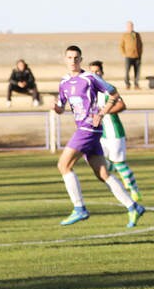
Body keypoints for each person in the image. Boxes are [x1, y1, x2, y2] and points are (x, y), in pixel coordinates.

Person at [53, 45, 145, 227]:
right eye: (70, 58)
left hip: (88, 128)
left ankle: (79, 208)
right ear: (65, 59)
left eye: (76, 58)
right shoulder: (63, 82)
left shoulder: (89, 78)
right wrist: (56, 108)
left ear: (81, 60)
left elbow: (114, 93)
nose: (73, 61)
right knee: (103, 173)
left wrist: (102, 113)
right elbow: (61, 107)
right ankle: (133, 205)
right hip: (86, 129)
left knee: (63, 165)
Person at [88, 60, 142, 202]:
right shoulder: (90, 92)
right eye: (92, 72)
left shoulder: (108, 89)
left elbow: (122, 105)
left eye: (97, 71)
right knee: (99, 162)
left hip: (114, 132)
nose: (95, 74)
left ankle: (134, 190)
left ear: (102, 73)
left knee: (119, 163)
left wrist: (104, 112)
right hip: (101, 134)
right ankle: (122, 189)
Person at [119, 21, 143, 90]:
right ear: (127, 27)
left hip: (137, 56)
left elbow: (141, 45)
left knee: (137, 71)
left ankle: (136, 84)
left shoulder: (137, 34)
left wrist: (140, 53)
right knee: (127, 71)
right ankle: (127, 84)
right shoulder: (125, 35)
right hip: (128, 56)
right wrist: (124, 53)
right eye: (129, 26)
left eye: (131, 26)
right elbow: (121, 45)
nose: (130, 27)